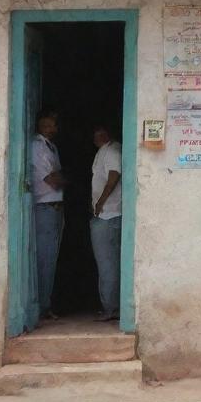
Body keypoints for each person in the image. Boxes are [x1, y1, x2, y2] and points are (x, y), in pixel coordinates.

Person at [31, 109, 65, 322]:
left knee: (50, 259)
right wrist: (70, 180)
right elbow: (52, 179)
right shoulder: (37, 147)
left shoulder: (49, 147)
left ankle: (45, 304)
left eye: (53, 125)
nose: (51, 129)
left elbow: (56, 176)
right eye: (46, 125)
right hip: (44, 207)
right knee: (44, 259)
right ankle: (41, 307)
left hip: (53, 207)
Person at [90, 124, 123, 322]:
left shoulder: (111, 150)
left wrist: (101, 202)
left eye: (98, 133)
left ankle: (111, 308)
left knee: (107, 263)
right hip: (108, 214)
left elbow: (113, 176)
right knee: (111, 262)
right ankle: (114, 307)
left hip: (108, 215)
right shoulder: (106, 151)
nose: (96, 137)